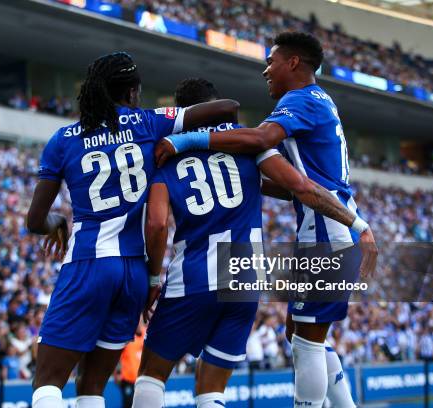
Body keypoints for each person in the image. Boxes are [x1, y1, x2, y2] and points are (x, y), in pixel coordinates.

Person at [154, 33, 378, 408]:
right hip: (328, 225)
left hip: (327, 228)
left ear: (293, 63)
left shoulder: (301, 99)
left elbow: (261, 139)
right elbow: (293, 186)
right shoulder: (320, 100)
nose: (265, 70)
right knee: (298, 332)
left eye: (271, 61)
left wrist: (190, 141)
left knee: (306, 341)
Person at [27, 52, 240, 408]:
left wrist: (56, 223)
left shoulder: (63, 140)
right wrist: (180, 141)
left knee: (47, 383)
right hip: (133, 275)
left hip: (88, 265)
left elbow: (35, 221)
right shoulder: (147, 122)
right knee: (92, 387)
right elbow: (227, 106)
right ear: (131, 93)